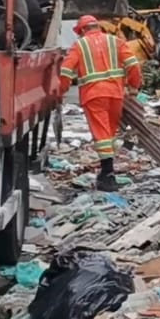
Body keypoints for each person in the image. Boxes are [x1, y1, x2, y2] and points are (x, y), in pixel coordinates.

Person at [59, 15, 142, 191]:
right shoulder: (115, 41)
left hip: (93, 95)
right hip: (115, 94)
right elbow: (133, 64)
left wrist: (61, 91)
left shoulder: (79, 45)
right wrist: (134, 86)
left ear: (81, 30)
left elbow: (65, 71)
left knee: (102, 135)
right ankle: (107, 173)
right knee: (109, 133)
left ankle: (108, 175)